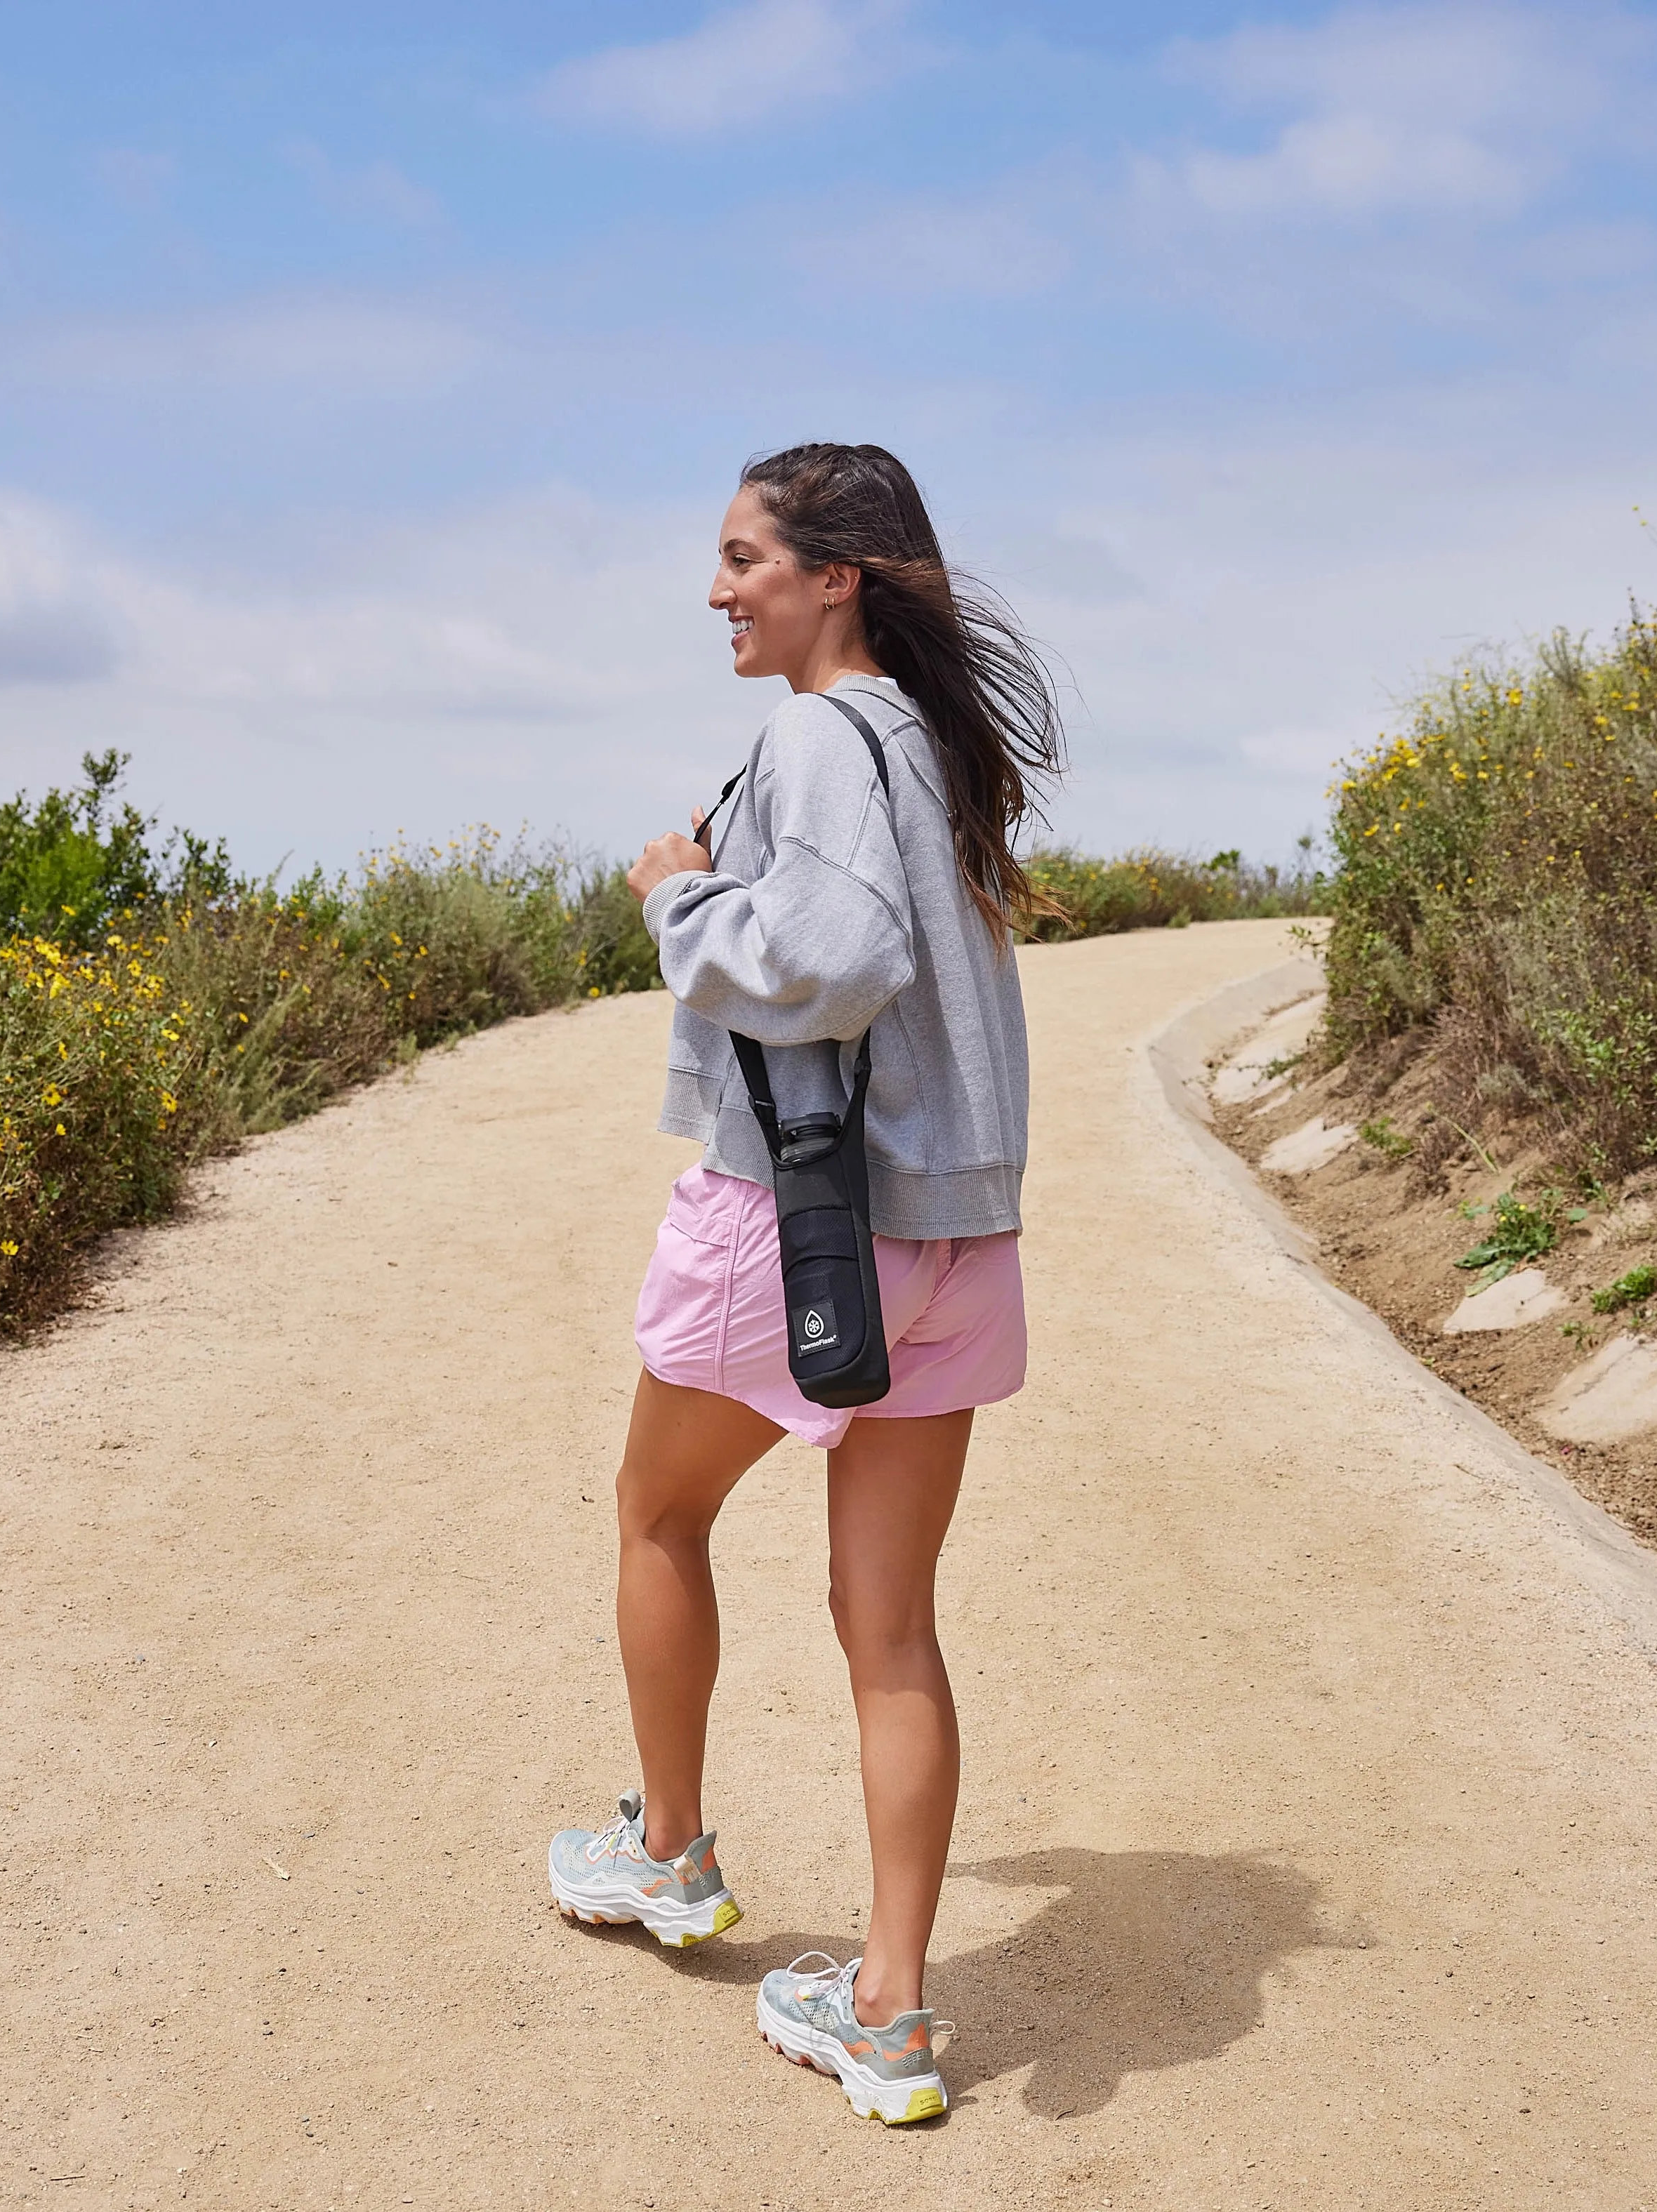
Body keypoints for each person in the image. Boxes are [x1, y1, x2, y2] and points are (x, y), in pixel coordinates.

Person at [547, 442, 1061, 2126]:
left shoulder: (819, 735)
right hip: (954, 1243)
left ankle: (671, 1857)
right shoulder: (927, 750)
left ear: (836, 573)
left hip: (801, 1221)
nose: (719, 589)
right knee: (892, 1626)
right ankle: (894, 2017)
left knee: (654, 1515)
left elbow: (832, 958)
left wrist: (678, 896)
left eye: (743, 556)